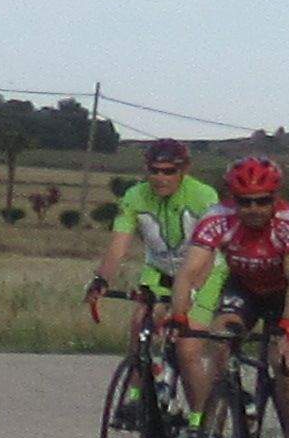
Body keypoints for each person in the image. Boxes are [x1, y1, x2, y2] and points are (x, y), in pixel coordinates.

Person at [166, 153, 289, 438]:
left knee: (283, 363)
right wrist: (179, 314)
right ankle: (215, 433)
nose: (253, 209)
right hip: (245, 289)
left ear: (276, 198)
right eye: (245, 202)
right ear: (232, 199)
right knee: (220, 342)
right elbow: (189, 272)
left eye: (262, 201)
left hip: (287, 295)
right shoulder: (217, 218)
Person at [84, 138, 222, 333]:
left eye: (168, 171)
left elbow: (211, 251)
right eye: (154, 170)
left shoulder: (203, 196)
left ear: (183, 170)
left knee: (186, 343)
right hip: (160, 269)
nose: (160, 177)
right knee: (140, 324)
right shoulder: (135, 196)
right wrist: (102, 279)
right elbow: (118, 247)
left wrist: (191, 292)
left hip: (202, 272)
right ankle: (139, 363)